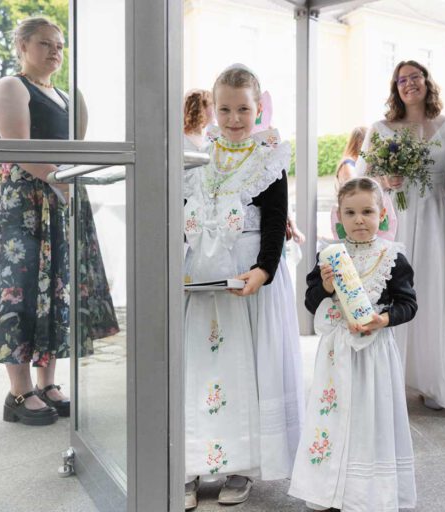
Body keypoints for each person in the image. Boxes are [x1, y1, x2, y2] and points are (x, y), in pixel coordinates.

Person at [0, 16, 118, 426]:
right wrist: (60, 180)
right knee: (19, 286)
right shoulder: (10, 87)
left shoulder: (69, 97)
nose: (54, 51)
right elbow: (17, 146)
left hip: (59, 194)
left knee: (55, 286)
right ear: (22, 46)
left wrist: (67, 184)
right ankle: (18, 392)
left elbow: (77, 148)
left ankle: (47, 382)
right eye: (44, 44)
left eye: (58, 45)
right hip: (22, 199)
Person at [182, 65, 303, 509]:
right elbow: (182, 210)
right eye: (226, 108)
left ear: (258, 108)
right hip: (203, 278)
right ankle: (193, 462)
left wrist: (264, 270)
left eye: (244, 109)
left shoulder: (270, 156)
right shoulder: (197, 154)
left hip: (248, 276)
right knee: (200, 369)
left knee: (246, 369)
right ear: (214, 108)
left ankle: (241, 466)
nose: (234, 118)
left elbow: (274, 221)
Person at [356, 59, 445, 411]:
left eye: (415, 77)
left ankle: (440, 379)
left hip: (440, 221)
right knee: (398, 293)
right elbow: (360, 179)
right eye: (402, 80)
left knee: (439, 295)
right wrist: (384, 181)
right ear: (394, 88)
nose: (409, 84)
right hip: (401, 220)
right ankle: (392, 378)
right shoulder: (381, 128)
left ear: (428, 81)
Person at [288, 177, 417, 511]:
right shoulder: (328, 258)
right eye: (351, 212)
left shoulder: (393, 258)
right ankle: (327, 487)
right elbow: (311, 301)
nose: (359, 219)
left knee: (369, 415)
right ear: (339, 217)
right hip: (337, 353)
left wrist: (384, 319)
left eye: (367, 211)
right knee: (335, 412)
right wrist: (327, 288)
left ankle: (366, 491)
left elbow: (408, 304)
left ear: (382, 215)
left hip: (375, 354)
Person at [331, 127, 397, 241]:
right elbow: (354, 187)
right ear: (359, 142)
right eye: (369, 142)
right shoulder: (348, 163)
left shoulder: (365, 163)